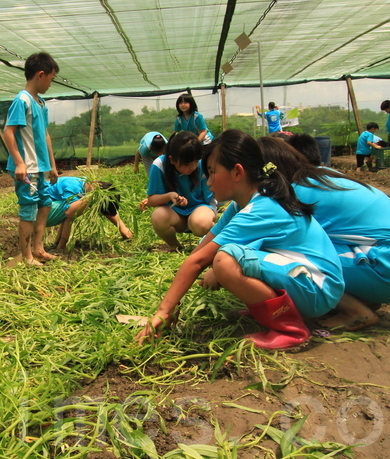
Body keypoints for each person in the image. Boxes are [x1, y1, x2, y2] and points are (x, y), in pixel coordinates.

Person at [135, 130, 344, 350]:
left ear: (237, 172)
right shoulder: (241, 204)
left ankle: (290, 329)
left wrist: (162, 312)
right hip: (302, 277)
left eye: (213, 172)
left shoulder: (261, 208)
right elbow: (202, 249)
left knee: (225, 261)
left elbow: (200, 261)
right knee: (221, 261)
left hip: (317, 289)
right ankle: (268, 307)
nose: (209, 182)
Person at [258, 136, 390, 331]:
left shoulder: (296, 192)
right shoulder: (324, 176)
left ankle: (355, 311)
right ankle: (364, 299)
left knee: (278, 252)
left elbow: (266, 236)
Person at [4, 52, 60, 266]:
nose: (50, 84)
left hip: (41, 167)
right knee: (28, 210)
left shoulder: (41, 103)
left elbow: (45, 134)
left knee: (45, 205)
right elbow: (8, 132)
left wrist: (52, 165)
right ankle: (27, 257)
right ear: (40, 75)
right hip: (27, 168)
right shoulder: (22, 101)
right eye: (51, 79)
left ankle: (38, 249)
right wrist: (19, 162)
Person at [146, 131, 216, 252]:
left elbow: (210, 198)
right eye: (187, 164)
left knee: (201, 224)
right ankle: (174, 246)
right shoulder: (159, 165)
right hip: (176, 214)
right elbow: (151, 200)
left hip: (200, 208)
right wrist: (169, 196)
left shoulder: (202, 164)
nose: (192, 167)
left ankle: (214, 241)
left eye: (195, 162)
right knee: (158, 216)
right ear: (172, 159)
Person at [46, 177, 133, 249]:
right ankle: (61, 245)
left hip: (46, 208)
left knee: (80, 205)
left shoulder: (85, 184)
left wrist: (123, 228)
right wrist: (89, 197)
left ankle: (58, 243)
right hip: (39, 212)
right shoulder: (74, 187)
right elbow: (70, 213)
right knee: (77, 208)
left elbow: (106, 207)